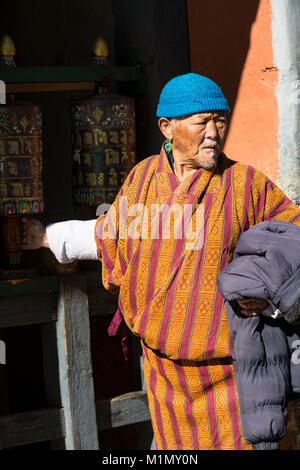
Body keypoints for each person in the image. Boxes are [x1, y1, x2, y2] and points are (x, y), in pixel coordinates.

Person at [21, 73, 300, 450]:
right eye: (202, 122)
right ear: (167, 128)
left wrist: (269, 301)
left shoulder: (246, 185)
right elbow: (111, 235)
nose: (214, 132)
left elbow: (293, 242)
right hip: (164, 375)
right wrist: (47, 237)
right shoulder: (143, 180)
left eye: (220, 119)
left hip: (231, 375)